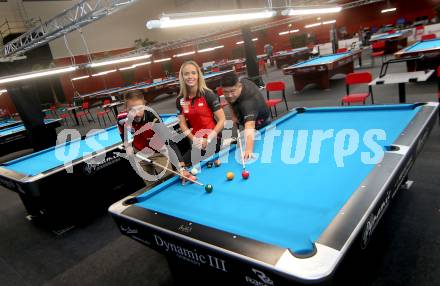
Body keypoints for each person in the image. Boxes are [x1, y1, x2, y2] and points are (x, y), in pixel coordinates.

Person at [117, 90, 190, 186]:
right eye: (131, 109)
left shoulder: (153, 118)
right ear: (126, 109)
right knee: (151, 186)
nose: (136, 113)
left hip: (159, 153)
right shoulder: (122, 118)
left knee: (168, 184)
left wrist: (181, 168)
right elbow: (122, 131)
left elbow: (169, 142)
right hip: (139, 153)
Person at [176, 60, 226, 166]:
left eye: (193, 73)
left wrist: (208, 138)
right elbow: (182, 124)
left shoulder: (208, 94)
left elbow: (222, 120)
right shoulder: (180, 100)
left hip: (214, 138)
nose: (190, 76)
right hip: (198, 142)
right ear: (182, 77)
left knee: (208, 162)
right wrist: (194, 139)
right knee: (180, 165)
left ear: (198, 75)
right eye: (186, 74)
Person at [221, 72, 271, 161]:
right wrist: (234, 114)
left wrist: (248, 151)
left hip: (262, 125)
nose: (229, 95)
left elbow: (250, 126)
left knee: (265, 152)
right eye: (225, 92)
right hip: (247, 117)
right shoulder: (241, 80)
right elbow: (230, 99)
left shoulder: (248, 103)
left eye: (232, 91)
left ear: (239, 86)